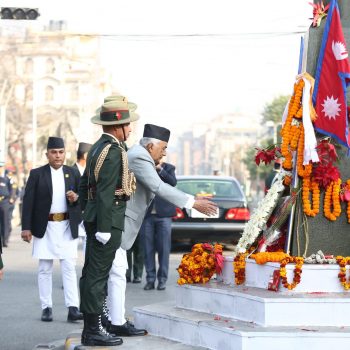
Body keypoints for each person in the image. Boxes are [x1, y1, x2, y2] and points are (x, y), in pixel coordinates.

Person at [106, 124, 217, 337]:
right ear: (150, 146)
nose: (165, 153)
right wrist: (192, 202)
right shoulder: (140, 156)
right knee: (116, 273)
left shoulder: (140, 155)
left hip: (120, 221)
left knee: (116, 272)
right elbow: (158, 187)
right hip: (117, 223)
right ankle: (114, 321)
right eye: (163, 148)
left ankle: (113, 319)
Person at [79, 99, 139, 347]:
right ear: (117, 127)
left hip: (98, 217)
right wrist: (103, 227)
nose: (131, 129)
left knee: (92, 273)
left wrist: (88, 212)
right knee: (97, 276)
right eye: (127, 124)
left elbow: (85, 186)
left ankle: (95, 326)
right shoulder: (113, 151)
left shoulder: (96, 148)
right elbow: (104, 192)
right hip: (109, 221)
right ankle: (92, 330)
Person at [21, 137, 83, 323]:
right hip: (45, 226)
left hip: (66, 225)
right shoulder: (37, 174)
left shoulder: (72, 172)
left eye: (61, 152)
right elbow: (28, 202)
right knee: (45, 268)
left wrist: (76, 198)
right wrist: (26, 227)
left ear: (65, 153)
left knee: (69, 267)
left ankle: (73, 308)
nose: (58, 156)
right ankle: (46, 307)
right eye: (54, 152)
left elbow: (83, 198)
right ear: (47, 154)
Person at [142, 161, 177, 291]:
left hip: (164, 215)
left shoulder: (169, 167)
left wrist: (160, 170)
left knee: (164, 249)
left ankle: (162, 280)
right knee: (147, 249)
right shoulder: (145, 166)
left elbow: (173, 182)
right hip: (147, 215)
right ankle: (150, 279)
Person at [0, 162, 11, 247]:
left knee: (5, 222)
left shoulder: (7, 178)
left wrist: (12, 198)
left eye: (1, 167)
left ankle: (5, 240)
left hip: (4, 202)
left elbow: (12, 190)